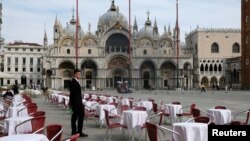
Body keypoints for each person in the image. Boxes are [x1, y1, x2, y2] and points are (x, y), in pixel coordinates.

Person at [69, 69, 88, 137]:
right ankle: (76, 132)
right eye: (79, 74)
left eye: (80, 74)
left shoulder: (75, 81)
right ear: (75, 74)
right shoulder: (74, 82)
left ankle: (77, 132)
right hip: (77, 104)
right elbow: (73, 94)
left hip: (78, 103)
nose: (80, 75)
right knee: (75, 118)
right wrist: (75, 104)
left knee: (78, 117)